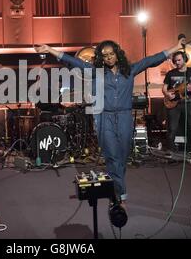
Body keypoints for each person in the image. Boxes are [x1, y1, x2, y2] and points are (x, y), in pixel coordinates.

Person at [34, 40, 182, 208]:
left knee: (122, 157)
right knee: (112, 156)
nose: (109, 58)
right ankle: (120, 196)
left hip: (125, 117)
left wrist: (176, 47)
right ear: (101, 58)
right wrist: (50, 49)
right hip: (105, 117)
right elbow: (74, 62)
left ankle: (116, 187)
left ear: (118, 54)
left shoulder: (130, 70)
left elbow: (151, 60)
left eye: (112, 54)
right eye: (105, 56)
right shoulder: (96, 72)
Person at [162, 34, 191, 154]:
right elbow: (164, 88)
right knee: (172, 128)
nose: (176, 62)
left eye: (179, 60)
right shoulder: (170, 73)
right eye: (175, 61)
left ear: (185, 59)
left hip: (188, 103)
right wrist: (168, 95)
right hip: (174, 104)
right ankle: (170, 149)